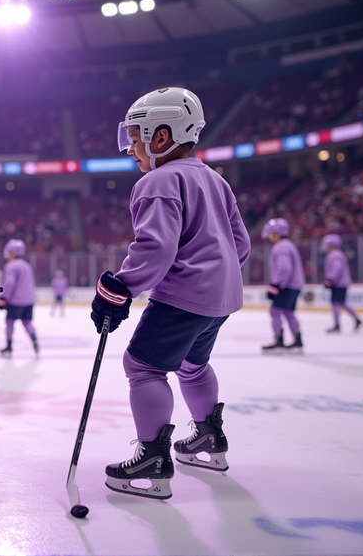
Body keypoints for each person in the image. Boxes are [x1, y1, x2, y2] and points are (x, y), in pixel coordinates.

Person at [91, 87, 250, 500]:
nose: (131, 148)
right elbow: (240, 244)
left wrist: (121, 287)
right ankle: (209, 439)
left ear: (162, 137)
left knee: (142, 365)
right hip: (222, 296)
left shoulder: (157, 181)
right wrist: (218, 276)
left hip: (183, 294)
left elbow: (156, 248)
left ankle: (152, 457)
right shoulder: (215, 179)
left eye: (135, 137)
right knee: (193, 365)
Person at [261, 218, 305, 354]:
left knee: (275, 311)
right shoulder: (287, 245)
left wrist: (276, 285)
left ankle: (278, 341)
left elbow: (284, 268)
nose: (268, 236)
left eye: (270, 233)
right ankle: (298, 340)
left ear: (277, 233)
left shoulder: (280, 247)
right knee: (288, 312)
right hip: (295, 284)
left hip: (287, 285)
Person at [0, 239, 39, 358]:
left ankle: (9, 347)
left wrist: (3, 298)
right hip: (29, 300)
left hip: (15, 301)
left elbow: (9, 283)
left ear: (12, 252)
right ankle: (34, 340)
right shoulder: (27, 265)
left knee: (9, 322)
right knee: (27, 322)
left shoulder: (11, 266)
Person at [322, 234, 363, 333]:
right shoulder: (337, 254)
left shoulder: (335, 255)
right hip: (340, 283)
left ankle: (337, 325)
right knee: (341, 303)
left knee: (336, 303)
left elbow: (337, 268)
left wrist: (330, 279)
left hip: (338, 283)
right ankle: (356, 319)